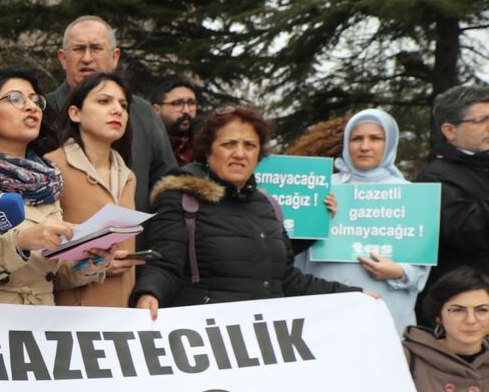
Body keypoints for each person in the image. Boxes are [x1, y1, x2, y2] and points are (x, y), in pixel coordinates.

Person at [132, 106, 360, 316]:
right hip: (206, 338)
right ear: (208, 151)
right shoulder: (181, 198)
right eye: (229, 144)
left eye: (249, 145)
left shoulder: (267, 205)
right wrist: (149, 294)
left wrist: (353, 295)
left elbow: (285, 278)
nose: (240, 153)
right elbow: (164, 266)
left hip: (264, 340)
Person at [0, 69, 105, 304]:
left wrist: (88, 261)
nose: (31, 106)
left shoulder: (48, 180)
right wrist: (18, 243)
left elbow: (48, 276)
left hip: (39, 325)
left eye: (36, 100)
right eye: (15, 99)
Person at [295, 109, 429, 334]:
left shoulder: (410, 195)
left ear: (390, 143)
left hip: (387, 307)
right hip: (324, 307)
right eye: (356, 138)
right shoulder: (321, 187)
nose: (364, 146)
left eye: (375, 138)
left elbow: (421, 268)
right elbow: (294, 257)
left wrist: (398, 271)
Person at [46, 15, 178, 211]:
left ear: (115, 57)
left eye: (97, 48)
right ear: (63, 58)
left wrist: (164, 240)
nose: (87, 58)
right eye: (79, 49)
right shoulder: (42, 111)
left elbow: (168, 186)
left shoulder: (141, 112)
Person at [45, 72, 146, 306]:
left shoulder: (128, 176)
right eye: (103, 101)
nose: (117, 110)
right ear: (75, 113)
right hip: (71, 316)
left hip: (120, 318)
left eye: (123, 105)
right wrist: (96, 266)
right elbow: (37, 259)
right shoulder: (52, 167)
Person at [417, 84, 489, 312]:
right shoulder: (433, 178)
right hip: (465, 309)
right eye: (481, 120)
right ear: (450, 130)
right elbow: (470, 232)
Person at [152, 75, 199, 168]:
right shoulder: (145, 146)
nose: (186, 110)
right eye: (178, 103)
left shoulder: (204, 147)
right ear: (156, 110)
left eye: (191, 103)